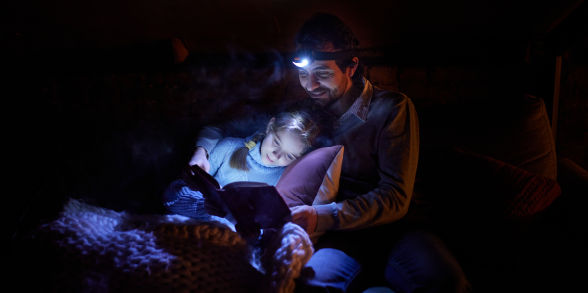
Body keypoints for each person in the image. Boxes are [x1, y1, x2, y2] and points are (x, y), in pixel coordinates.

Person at [189, 12, 470, 293]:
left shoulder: (392, 109)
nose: (310, 86)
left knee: (446, 283)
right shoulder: (305, 113)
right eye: (303, 74)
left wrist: (319, 215)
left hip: (396, 228)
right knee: (313, 285)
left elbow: (395, 197)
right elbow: (227, 128)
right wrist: (202, 151)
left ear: (351, 67)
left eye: (322, 74)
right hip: (338, 235)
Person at [162, 111, 319, 231]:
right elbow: (172, 195)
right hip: (194, 229)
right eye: (276, 142)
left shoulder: (285, 180)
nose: (276, 155)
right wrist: (205, 206)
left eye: (289, 155)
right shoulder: (229, 148)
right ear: (270, 126)